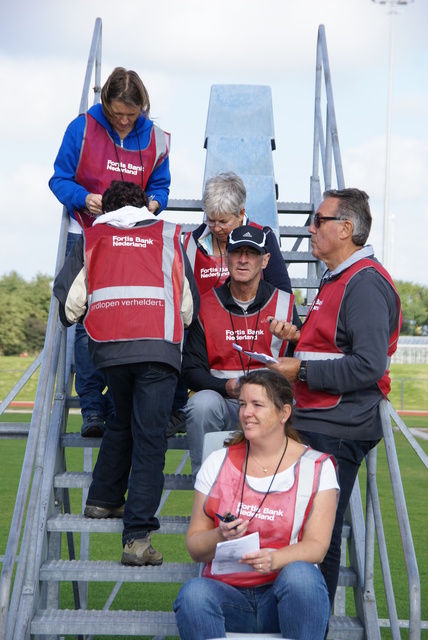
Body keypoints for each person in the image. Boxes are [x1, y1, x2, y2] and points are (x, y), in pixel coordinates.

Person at [267, 187, 402, 606]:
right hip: (319, 421)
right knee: (300, 530)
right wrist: (296, 341)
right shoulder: (339, 278)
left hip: (337, 427)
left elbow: (368, 366)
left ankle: (310, 625)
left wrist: (300, 369)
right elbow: (332, 347)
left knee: (315, 535)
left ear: (346, 229)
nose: (310, 227)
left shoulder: (363, 284)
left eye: (318, 220)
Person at [53, 180, 199, 566]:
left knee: (120, 419)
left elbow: (68, 305)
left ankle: (102, 499)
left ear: (105, 209)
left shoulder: (91, 235)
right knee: (150, 439)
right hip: (157, 350)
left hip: (110, 351)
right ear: (146, 207)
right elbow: (188, 308)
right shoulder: (169, 234)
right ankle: (137, 538)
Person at [50, 67, 171, 437]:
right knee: (86, 322)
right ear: (105, 102)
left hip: (134, 241)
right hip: (86, 235)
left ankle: (122, 401)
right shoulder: (81, 127)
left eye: (130, 115)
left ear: (142, 108)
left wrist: (151, 206)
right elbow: (59, 179)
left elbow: (162, 187)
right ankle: (91, 406)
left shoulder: (158, 139)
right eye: (116, 113)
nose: (122, 120)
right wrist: (84, 198)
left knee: (129, 320)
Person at [173, 369, 339, 640]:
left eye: (257, 405)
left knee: (301, 576)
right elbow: (194, 547)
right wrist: (219, 535)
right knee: (193, 594)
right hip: (227, 596)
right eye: (242, 404)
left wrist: (274, 558)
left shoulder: (317, 466)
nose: (246, 413)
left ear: (284, 413)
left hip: (282, 596)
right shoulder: (218, 462)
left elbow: (318, 548)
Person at [182, 225, 296, 481]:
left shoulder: (284, 303)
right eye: (236, 252)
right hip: (225, 400)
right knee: (200, 404)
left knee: (295, 405)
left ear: (265, 260)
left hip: (270, 402)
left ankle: (276, 486)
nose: (243, 260)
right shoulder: (206, 304)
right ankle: (207, 485)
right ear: (227, 258)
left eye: (252, 253)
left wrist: (295, 337)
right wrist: (227, 386)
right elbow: (190, 371)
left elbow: (302, 361)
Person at [184, 171, 292, 296]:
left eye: (224, 221)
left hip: (255, 315)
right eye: (211, 220)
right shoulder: (191, 242)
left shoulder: (264, 237)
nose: (217, 228)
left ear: (240, 214)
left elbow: (282, 292)